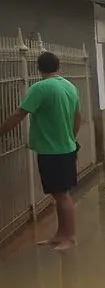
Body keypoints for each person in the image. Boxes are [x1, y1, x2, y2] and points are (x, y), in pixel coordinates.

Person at [0, 51, 81, 251]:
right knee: (59, 194)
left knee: (62, 196)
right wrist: (70, 137)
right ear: (58, 66)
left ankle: (70, 237)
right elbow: (78, 117)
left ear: (38, 68)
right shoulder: (69, 86)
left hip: (52, 151)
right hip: (66, 147)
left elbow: (20, 113)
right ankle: (60, 235)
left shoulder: (41, 87)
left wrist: (1, 131)